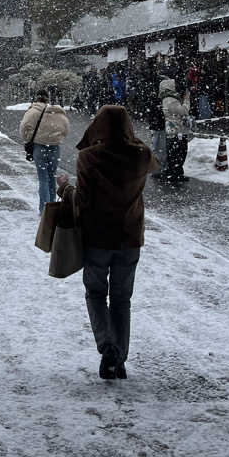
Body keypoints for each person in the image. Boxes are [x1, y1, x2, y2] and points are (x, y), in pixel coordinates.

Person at [56, 105, 157, 380]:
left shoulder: (89, 158)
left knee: (96, 294)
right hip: (130, 237)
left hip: (98, 237)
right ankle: (119, 357)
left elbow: (83, 201)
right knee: (122, 299)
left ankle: (107, 347)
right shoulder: (141, 155)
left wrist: (65, 187)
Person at [20, 89, 70, 213]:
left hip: (39, 146)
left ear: (36, 98)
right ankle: (53, 206)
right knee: (52, 176)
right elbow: (66, 129)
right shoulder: (57, 112)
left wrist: (29, 138)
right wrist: (57, 137)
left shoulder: (32, 112)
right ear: (48, 98)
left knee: (43, 178)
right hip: (54, 147)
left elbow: (24, 127)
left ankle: (44, 209)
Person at [160, 78, 191, 181]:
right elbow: (183, 111)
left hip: (175, 129)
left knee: (176, 151)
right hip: (176, 129)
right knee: (179, 151)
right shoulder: (170, 99)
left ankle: (175, 173)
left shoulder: (168, 98)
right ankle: (175, 174)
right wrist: (187, 100)